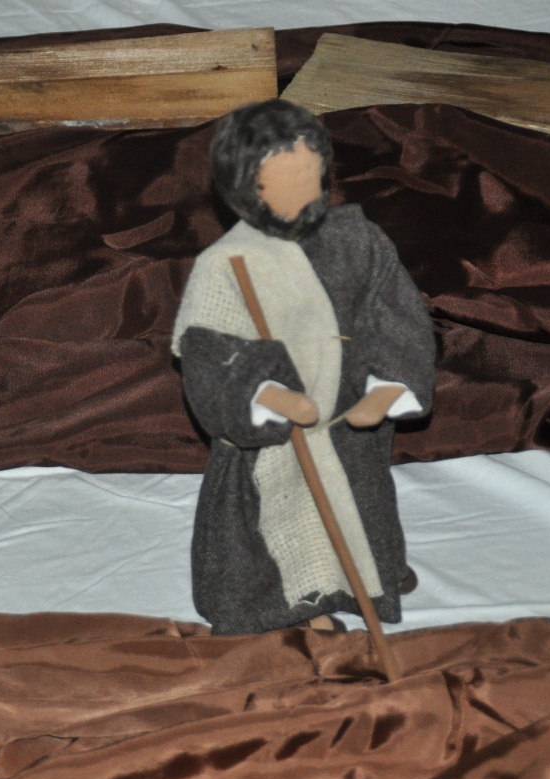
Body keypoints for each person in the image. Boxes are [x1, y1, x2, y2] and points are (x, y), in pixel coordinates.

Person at [172, 99, 437, 635]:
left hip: (345, 414)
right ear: (245, 189)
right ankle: (296, 606)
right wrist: (270, 394)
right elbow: (210, 352)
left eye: (310, 177)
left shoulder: (357, 240)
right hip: (276, 439)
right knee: (282, 524)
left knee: (363, 501)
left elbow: (393, 313)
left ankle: (373, 571)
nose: (302, 193)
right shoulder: (225, 265)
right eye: (282, 182)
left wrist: (385, 388)